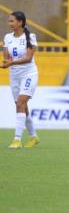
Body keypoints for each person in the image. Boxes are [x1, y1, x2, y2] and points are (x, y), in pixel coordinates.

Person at [1, 11, 40, 149]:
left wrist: (10, 63)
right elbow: (6, 58)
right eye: (9, 21)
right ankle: (33, 136)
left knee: (20, 103)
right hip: (14, 76)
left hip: (29, 74)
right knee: (22, 106)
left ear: (20, 22)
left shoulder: (31, 37)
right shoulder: (7, 37)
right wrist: (5, 63)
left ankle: (17, 139)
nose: (9, 23)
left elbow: (29, 58)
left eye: (12, 21)